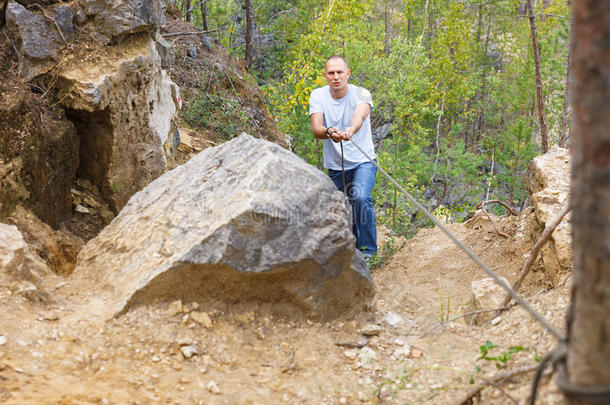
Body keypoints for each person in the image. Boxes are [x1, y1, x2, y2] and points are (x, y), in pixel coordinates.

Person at [309, 55, 378, 257]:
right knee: (339, 209)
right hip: (336, 165)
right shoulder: (318, 95)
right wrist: (330, 131)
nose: (336, 77)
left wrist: (351, 130)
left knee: (360, 197)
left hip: (363, 161)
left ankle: (368, 252)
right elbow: (316, 128)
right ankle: (347, 252)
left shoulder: (361, 93)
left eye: (340, 72)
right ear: (325, 76)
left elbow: (361, 114)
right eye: (331, 73)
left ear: (348, 73)